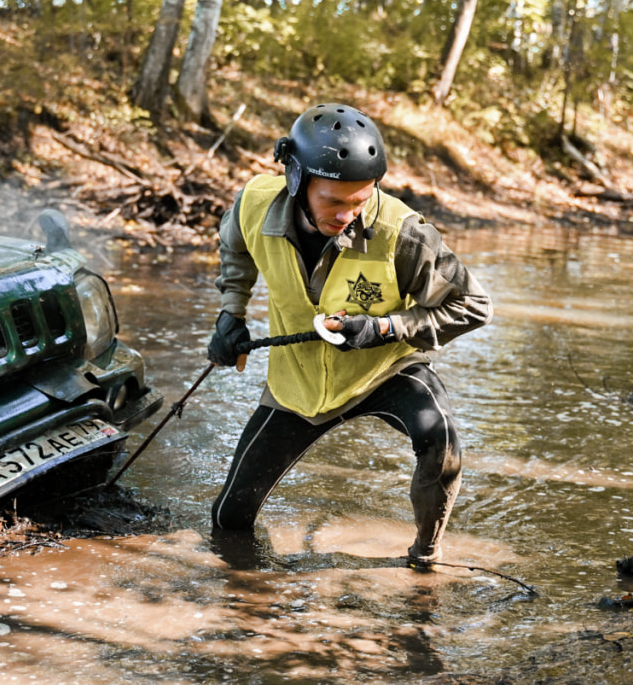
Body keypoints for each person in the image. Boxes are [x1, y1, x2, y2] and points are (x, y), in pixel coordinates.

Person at [206, 102, 493, 569]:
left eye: (359, 201)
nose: (347, 216)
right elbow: (234, 246)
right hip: (299, 383)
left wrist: (385, 329)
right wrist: (230, 315)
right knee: (228, 519)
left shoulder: (405, 234)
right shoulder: (255, 202)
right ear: (296, 182)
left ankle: (425, 559)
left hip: (385, 369)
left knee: (441, 442)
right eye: (333, 201)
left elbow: (473, 306)